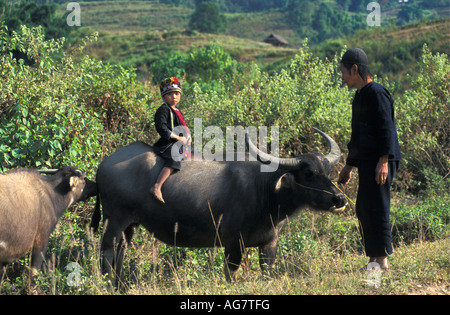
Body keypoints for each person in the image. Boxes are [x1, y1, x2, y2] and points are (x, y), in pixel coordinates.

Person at [338, 48, 401, 270]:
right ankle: (373, 257)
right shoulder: (360, 96)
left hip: (381, 160)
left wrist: (383, 161)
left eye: (344, 72)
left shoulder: (377, 93)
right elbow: (358, 136)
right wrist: (349, 165)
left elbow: (386, 129)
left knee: (377, 206)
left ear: (355, 69)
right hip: (366, 160)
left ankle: (382, 260)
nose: (342, 77)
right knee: (364, 208)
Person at [151, 77, 191, 204]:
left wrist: (188, 137)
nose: (173, 96)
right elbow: (161, 127)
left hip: (179, 143)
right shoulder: (163, 109)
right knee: (175, 157)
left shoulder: (177, 111)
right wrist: (176, 137)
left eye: (176, 93)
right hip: (167, 143)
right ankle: (157, 186)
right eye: (169, 94)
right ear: (164, 96)